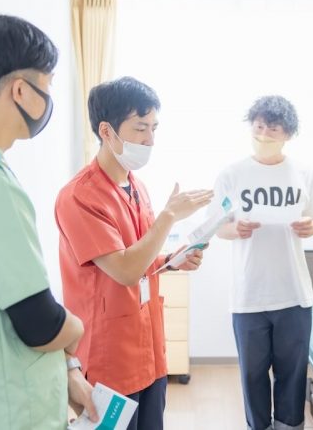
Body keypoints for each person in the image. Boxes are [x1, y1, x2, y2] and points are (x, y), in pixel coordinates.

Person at [55, 76, 213, 430]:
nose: (150, 140)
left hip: (148, 351)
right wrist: (169, 216)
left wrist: (171, 261)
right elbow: (125, 270)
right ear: (107, 131)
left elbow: (139, 255)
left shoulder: (136, 186)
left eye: (154, 128)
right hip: (108, 358)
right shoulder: (80, 196)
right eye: (141, 128)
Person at [0, 14, 97, 429]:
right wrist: (76, 328)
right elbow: (39, 322)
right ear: (19, 90)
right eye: (46, 86)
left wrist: (69, 369)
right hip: (13, 409)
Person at [211, 95, 313, 430]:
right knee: (252, 374)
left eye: (272, 129)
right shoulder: (232, 174)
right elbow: (218, 227)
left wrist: (310, 226)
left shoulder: (303, 172)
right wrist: (236, 229)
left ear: (287, 134)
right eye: (258, 126)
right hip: (249, 294)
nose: (263, 134)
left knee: (292, 373)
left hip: (294, 292)